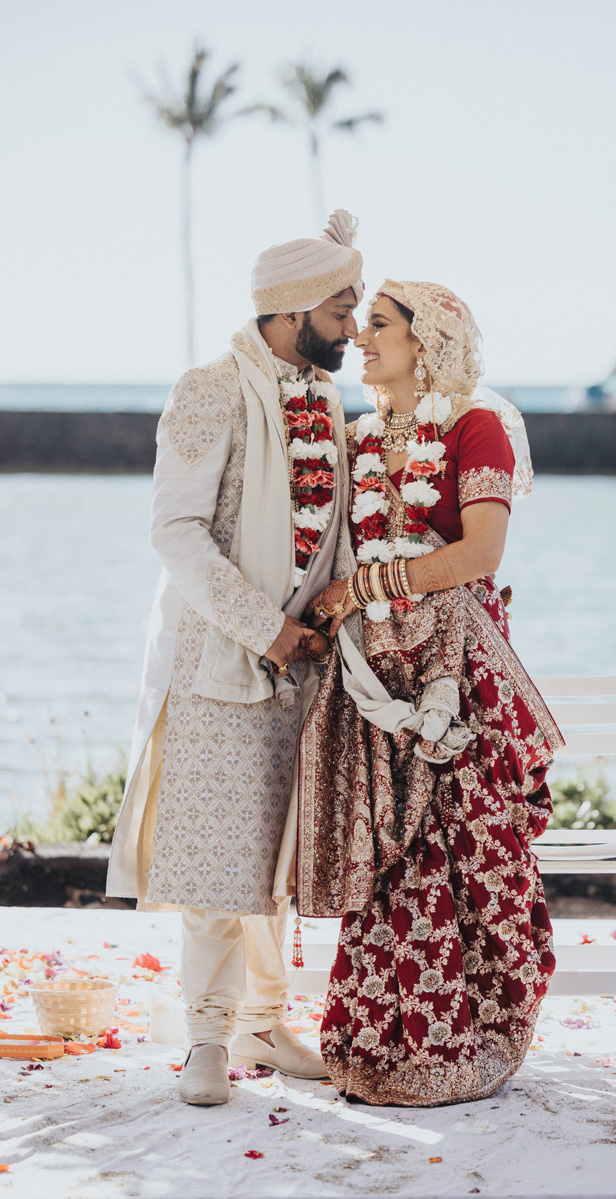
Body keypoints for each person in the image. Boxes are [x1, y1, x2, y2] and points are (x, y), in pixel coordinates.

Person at [106, 211, 364, 1106]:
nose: (353, 326)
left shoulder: (327, 401)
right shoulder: (209, 387)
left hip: (305, 668)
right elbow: (173, 532)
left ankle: (262, 1019)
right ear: (290, 310)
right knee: (218, 861)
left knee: (277, 856)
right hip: (222, 660)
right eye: (340, 308)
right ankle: (207, 1037)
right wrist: (267, 628)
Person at [298, 280, 565, 1106]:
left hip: (461, 678)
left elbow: (479, 553)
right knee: (388, 855)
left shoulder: (474, 427)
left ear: (428, 341)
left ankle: (470, 1035)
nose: (363, 340)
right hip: (376, 681)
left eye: (379, 326)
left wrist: (367, 585)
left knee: (470, 846)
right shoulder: (354, 437)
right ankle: (382, 1044)